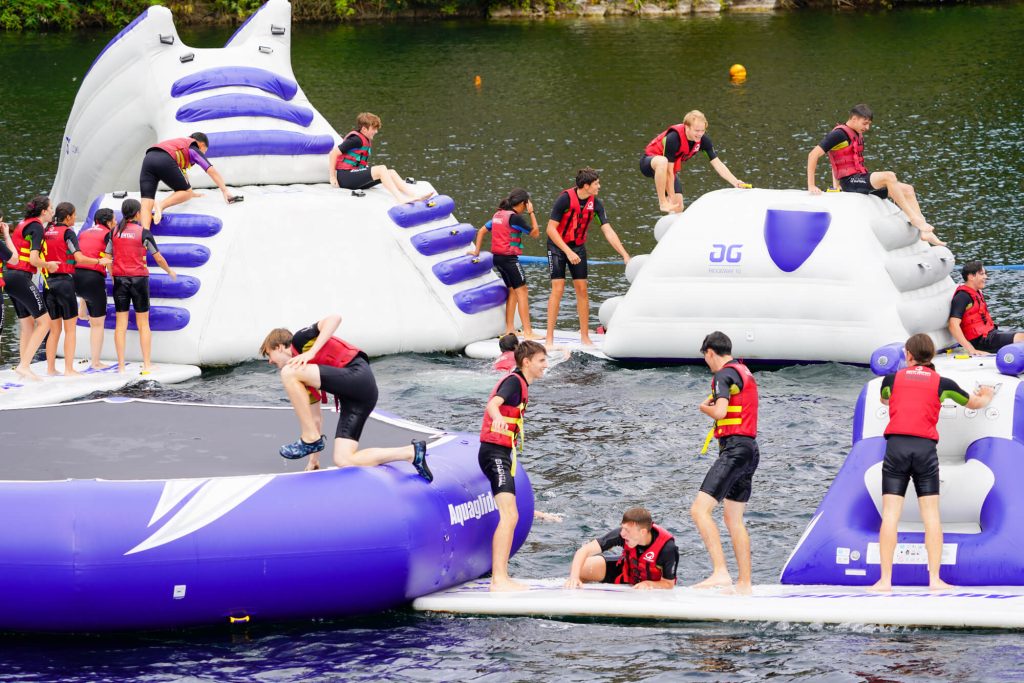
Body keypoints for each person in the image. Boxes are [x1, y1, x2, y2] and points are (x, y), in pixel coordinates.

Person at [871, 333, 993, 592]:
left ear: (907, 354)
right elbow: (975, 403)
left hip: (896, 449)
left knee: (891, 515)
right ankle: (935, 579)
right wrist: (988, 394)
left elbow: (884, 398)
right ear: (932, 356)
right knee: (931, 516)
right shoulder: (943, 383)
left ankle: (884, 581)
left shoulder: (891, 379)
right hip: (925, 450)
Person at [259, 314, 434, 478]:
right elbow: (316, 420)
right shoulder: (302, 379)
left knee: (288, 371)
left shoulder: (300, 341)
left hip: (358, 376)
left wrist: (311, 352)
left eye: (269, 354)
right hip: (358, 398)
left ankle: (309, 440)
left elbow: (335, 318)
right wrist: (314, 460)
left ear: (280, 347)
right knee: (344, 460)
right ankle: (411, 453)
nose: (270, 361)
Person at [807, 104, 944, 247]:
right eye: (864, 123)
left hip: (860, 179)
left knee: (908, 189)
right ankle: (914, 218)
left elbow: (839, 159)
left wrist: (835, 184)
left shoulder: (855, 134)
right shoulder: (838, 134)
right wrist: (811, 185)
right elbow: (813, 155)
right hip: (851, 182)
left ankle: (925, 232)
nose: (867, 128)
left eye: (869, 124)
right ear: (854, 118)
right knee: (889, 176)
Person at [692, 331, 760, 594]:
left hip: (734, 450)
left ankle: (720, 572)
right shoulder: (745, 371)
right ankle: (744, 583)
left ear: (710, 352)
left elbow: (719, 412)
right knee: (734, 519)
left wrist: (703, 408)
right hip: (750, 450)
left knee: (699, 511)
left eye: (706, 358)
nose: (707, 363)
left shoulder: (722, 375)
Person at [478, 339, 548, 591]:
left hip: (502, 453)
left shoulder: (521, 384)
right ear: (526, 362)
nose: (545, 365)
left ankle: (501, 577)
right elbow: (493, 405)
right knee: (510, 514)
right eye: (541, 361)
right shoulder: (513, 382)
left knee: (511, 514)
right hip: (493, 453)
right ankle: (499, 580)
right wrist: (497, 419)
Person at [545, 168, 631, 348]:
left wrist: (624, 254)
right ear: (586, 186)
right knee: (558, 289)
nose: (599, 186)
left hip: (578, 247)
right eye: (596, 184)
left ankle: (585, 336)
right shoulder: (565, 200)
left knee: (582, 290)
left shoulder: (596, 204)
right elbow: (550, 229)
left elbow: (608, 230)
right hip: (558, 246)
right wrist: (568, 252)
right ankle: (549, 339)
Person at [108, 198, 177, 373]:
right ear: (138, 213)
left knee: (120, 325)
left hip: (120, 281)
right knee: (143, 324)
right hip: (138, 280)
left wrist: (113, 273)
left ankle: (121, 366)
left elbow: (108, 257)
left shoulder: (113, 232)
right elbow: (158, 257)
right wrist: (169, 271)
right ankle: (147, 364)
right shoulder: (143, 233)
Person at [41, 202, 110, 376]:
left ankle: (50, 369)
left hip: (48, 284)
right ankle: (70, 369)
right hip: (64, 283)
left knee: (54, 329)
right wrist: (98, 262)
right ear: (69, 216)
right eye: (74, 214)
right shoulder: (68, 232)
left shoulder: (47, 230)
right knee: (70, 329)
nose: (76, 218)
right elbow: (78, 258)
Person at [641, 110, 748, 213]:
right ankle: (663, 202)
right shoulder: (673, 138)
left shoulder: (704, 141)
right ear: (687, 127)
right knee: (662, 162)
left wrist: (735, 181)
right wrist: (670, 197)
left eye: (703, 130)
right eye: (696, 131)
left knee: (678, 207)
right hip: (650, 163)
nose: (700, 134)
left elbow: (717, 163)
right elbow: (668, 172)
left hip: (669, 170)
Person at [469, 188, 540, 339]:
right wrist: (532, 213)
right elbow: (535, 233)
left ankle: (510, 329)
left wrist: (476, 251)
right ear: (523, 204)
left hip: (497, 259)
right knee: (523, 291)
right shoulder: (514, 218)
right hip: (509, 259)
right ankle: (528, 332)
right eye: (526, 205)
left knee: (512, 291)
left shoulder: (497, 215)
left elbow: (481, 231)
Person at [5, 196, 60, 381]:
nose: (53, 211)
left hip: (9, 278)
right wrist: (49, 265)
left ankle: (23, 369)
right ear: (43, 211)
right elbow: (33, 260)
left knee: (27, 325)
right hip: (21, 278)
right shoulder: (37, 227)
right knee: (45, 322)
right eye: (51, 208)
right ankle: (24, 366)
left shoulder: (23, 223)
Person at [327, 112, 431, 204]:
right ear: (364, 129)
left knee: (391, 172)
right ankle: (400, 199)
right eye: (373, 128)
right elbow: (333, 153)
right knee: (381, 169)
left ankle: (413, 195)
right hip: (345, 177)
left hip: (354, 175)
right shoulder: (355, 140)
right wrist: (332, 177)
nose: (376, 131)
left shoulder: (365, 139)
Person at [139, 132, 235, 230]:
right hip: (164, 159)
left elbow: (183, 176)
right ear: (201, 145)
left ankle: (145, 234)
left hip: (148, 159)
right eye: (204, 151)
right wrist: (224, 190)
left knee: (146, 203)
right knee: (187, 193)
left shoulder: (178, 145)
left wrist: (191, 192)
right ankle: (161, 205)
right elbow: (211, 170)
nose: (203, 154)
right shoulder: (193, 148)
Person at [565, 507, 678, 590]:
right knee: (582, 567)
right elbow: (584, 550)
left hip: (650, 584)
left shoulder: (667, 549)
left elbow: (669, 584)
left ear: (642, 532)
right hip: (627, 574)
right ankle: (582, 592)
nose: (622, 534)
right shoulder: (622, 534)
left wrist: (649, 584)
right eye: (623, 528)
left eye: (627, 531)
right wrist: (574, 577)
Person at [947, 261, 1024, 355]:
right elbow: (953, 325)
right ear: (971, 276)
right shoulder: (962, 297)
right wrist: (971, 349)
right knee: (1022, 338)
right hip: (981, 341)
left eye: (985, 274)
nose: (985, 277)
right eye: (981, 274)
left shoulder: (976, 293)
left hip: (989, 335)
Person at [75, 208, 116, 369]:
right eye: (114, 220)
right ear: (107, 222)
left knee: (87, 293)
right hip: (92, 278)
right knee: (97, 324)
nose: (116, 223)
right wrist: (114, 279)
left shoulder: (84, 232)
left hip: (74, 277)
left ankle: (82, 308)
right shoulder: (108, 235)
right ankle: (96, 362)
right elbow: (108, 260)